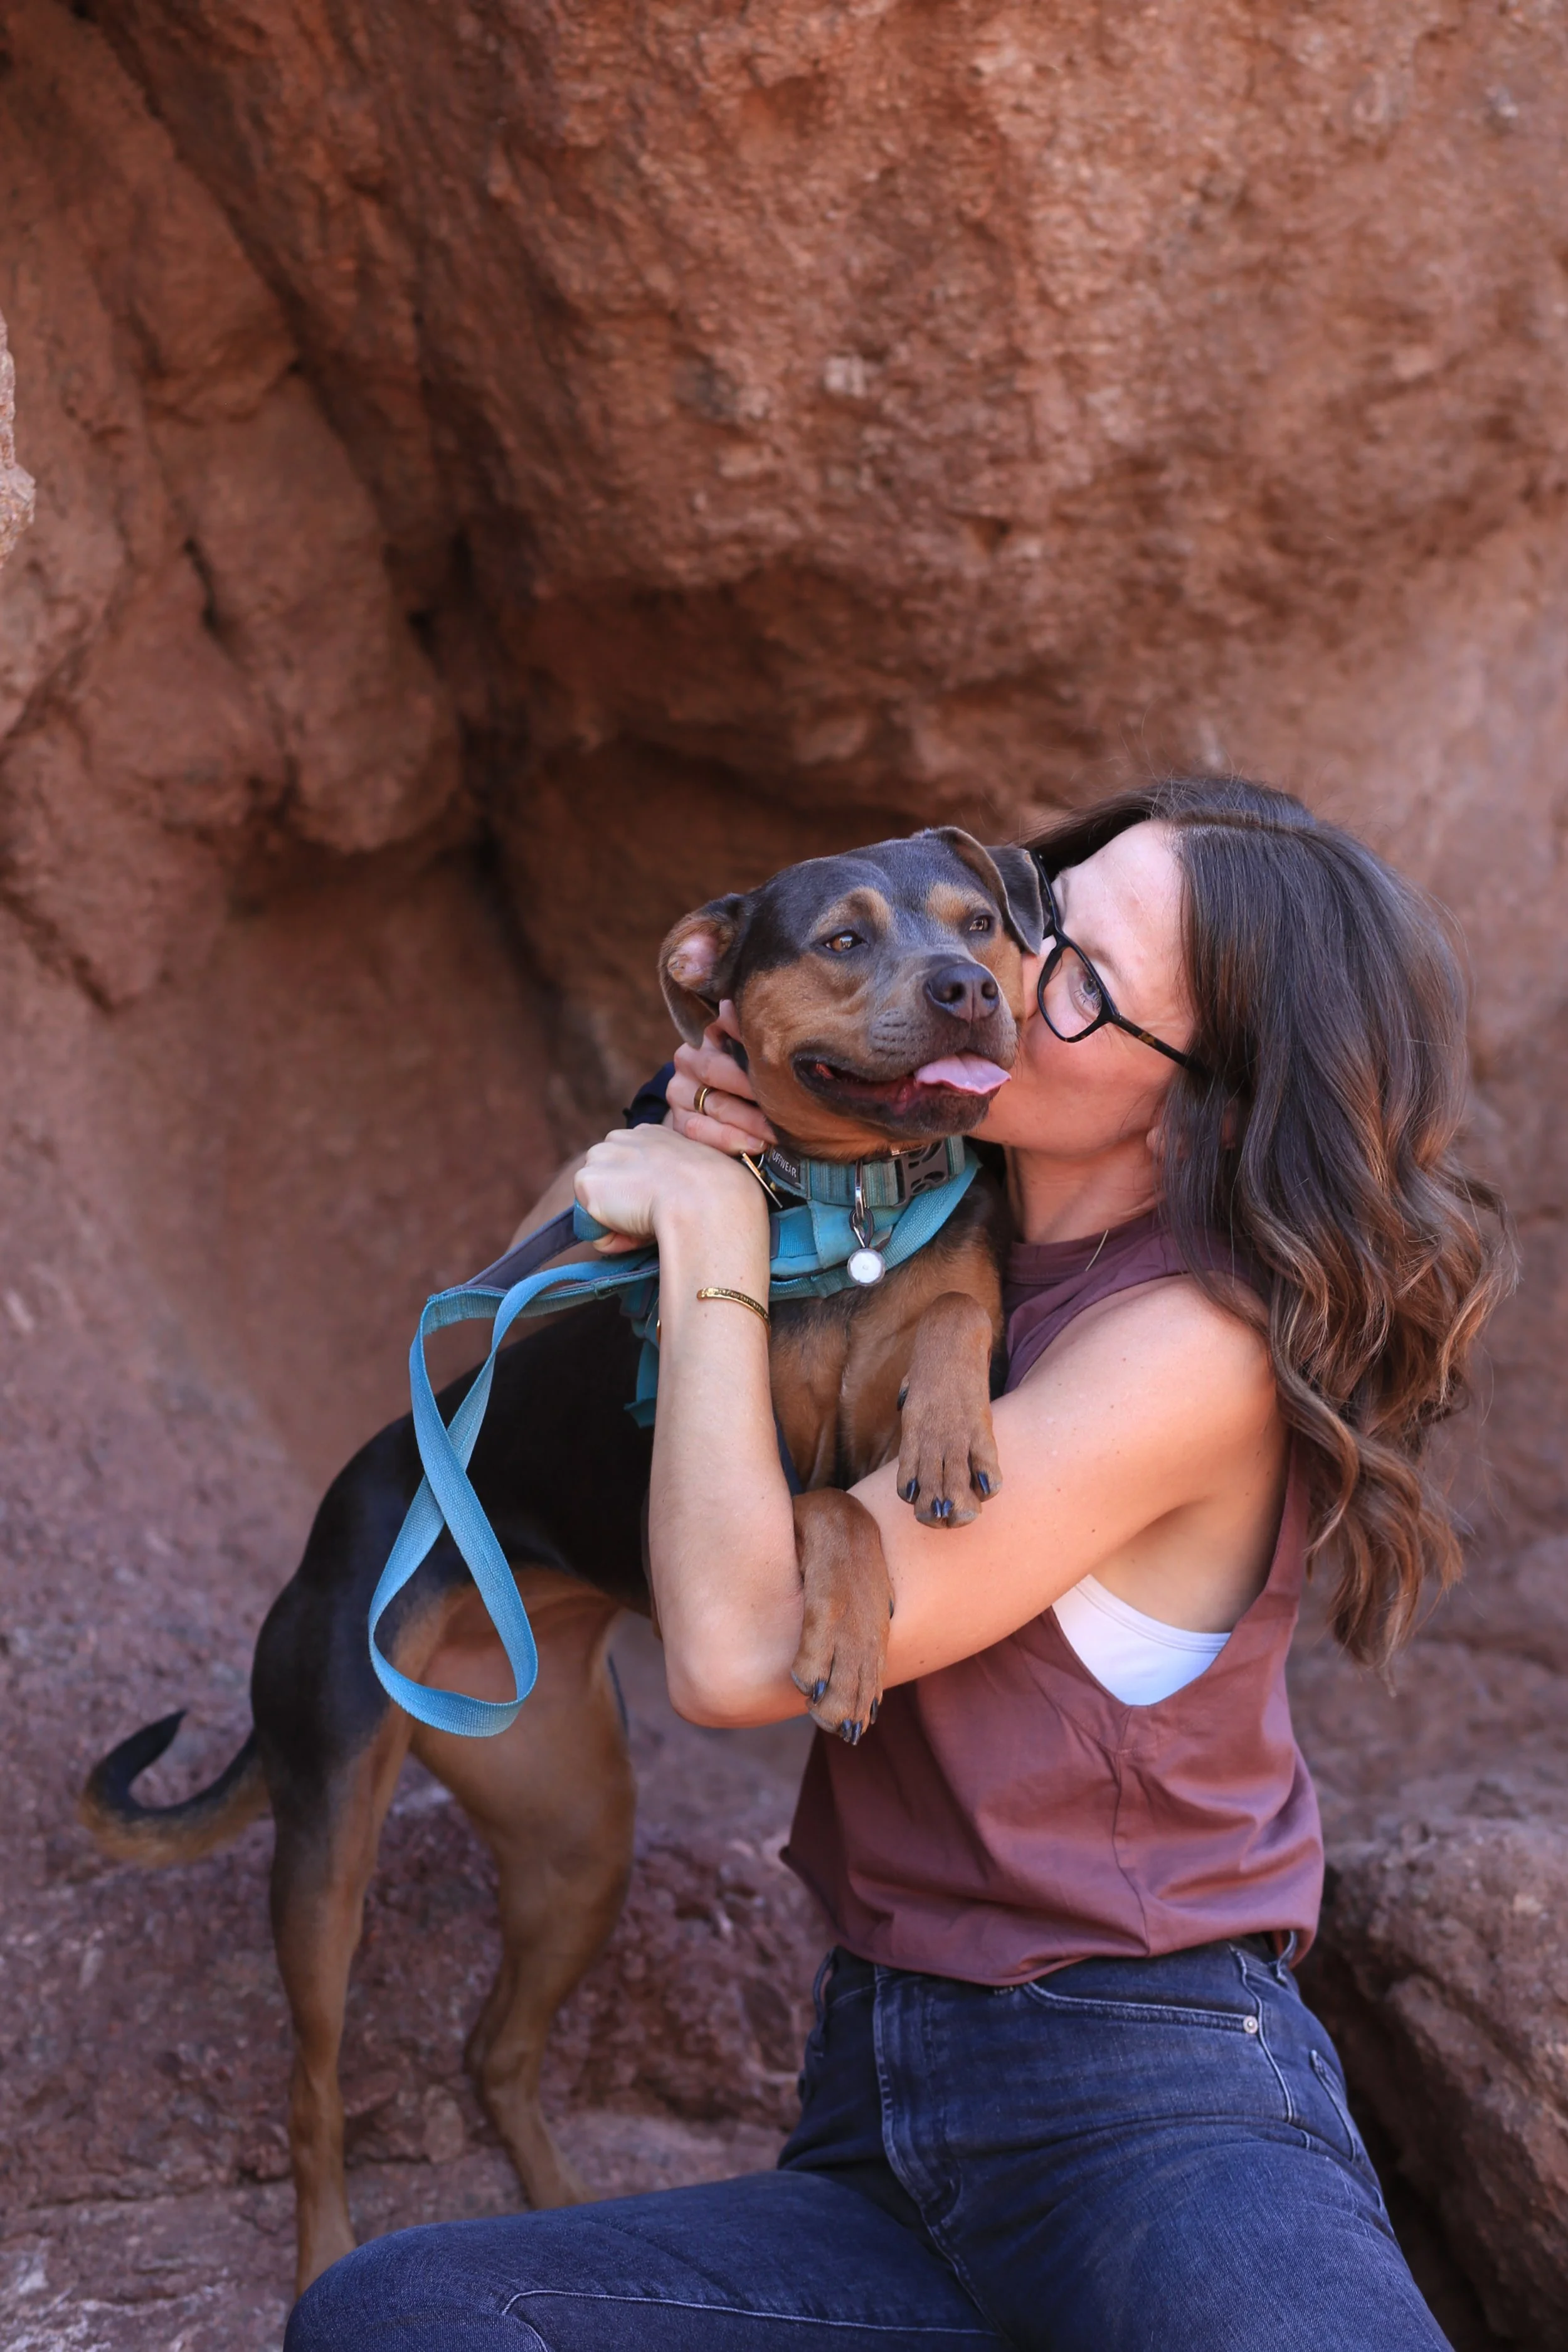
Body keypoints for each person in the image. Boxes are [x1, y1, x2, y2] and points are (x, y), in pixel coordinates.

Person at [287, 778, 1512, 2351]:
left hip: (1152, 2105)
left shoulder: (1188, 1344)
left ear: (1200, 1094)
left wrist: (715, 1241)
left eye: (1072, 980)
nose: (984, 972)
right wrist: (681, 1140)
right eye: (1038, 916)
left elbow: (738, 1659)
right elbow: (496, 1337)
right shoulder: (923, 1216)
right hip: (878, 2109)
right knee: (405, 2318)